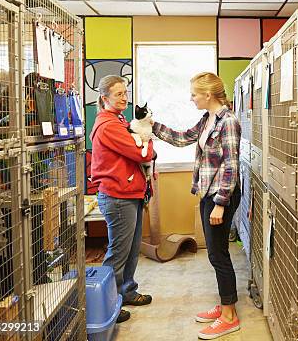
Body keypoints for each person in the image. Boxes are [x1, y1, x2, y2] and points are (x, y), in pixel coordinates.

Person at [153, 72, 241, 340]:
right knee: (216, 254)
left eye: (194, 94)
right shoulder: (208, 119)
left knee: (218, 254)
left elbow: (231, 167)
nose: (191, 98)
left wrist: (220, 204)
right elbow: (182, 138)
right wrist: (151, 125)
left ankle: (229, 317)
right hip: (209, 194)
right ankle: (226, 304)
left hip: (220, 197)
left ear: (208, 95)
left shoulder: (228, 122)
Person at [90, 75, 155, 323]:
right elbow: (140, 152)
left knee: (131, 249)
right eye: (118, 94)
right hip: (118, 196)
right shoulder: (109, 125)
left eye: (125, 93)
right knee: (118, 252)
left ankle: (126, 291)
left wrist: (146, 150)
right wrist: (150, 149)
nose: (124, 98)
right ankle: (107, 304)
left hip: (130, 193)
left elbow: (140, 150)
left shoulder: (118, 121)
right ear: (105, 98)